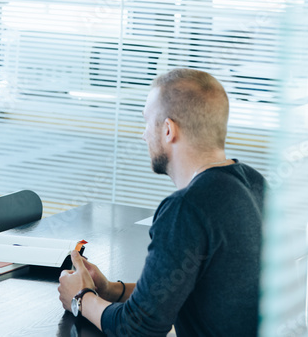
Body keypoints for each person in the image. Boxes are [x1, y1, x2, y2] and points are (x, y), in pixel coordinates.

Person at [57, 68, 266, 337]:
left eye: (147, 122)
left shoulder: (187, 207)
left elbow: (139, 327)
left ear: (168, 130)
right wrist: (111, 290)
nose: (144, 135)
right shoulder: (255, 184)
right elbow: (182, 291)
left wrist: (81, 299)